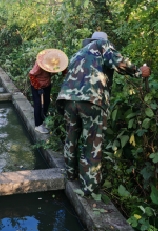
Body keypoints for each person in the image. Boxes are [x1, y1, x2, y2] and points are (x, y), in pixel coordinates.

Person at [56, 30, 151, 195]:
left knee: (71, 138)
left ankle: (70, 175)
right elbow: (118, 62)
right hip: (91, 100)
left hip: (68, 100)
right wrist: (139, 72)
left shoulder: (77, 54)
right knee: (92, 143)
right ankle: (89, 188)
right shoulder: (102, 45)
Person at [29, 49, 68, 134]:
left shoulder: (54, 62)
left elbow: (61, 69)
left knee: (46, 103)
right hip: (37, 85)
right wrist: (38, 87)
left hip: (47, 84)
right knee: (38, 104)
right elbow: (31, 75)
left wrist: (65, 72)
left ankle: (43, 121)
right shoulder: (39, 65)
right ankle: (38, 125)